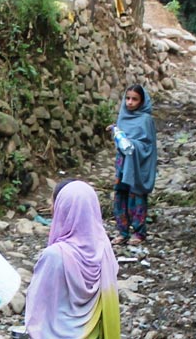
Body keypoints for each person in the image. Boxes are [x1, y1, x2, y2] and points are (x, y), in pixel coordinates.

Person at [25, 179, 121, 339]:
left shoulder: (54, 256)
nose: (50, 207)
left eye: (53, 203)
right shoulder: (104, 250)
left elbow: (39, 309)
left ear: (63, 209)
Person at [108, 84, 157, 246]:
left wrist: (132, 144)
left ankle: (138, 232)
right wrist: (116, 133)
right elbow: (120, 140)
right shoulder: (123, 116)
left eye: (134, 99)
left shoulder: (145, 120)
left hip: (137, 163)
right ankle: (122, 231)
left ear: (142, 101)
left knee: (136, 195)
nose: (130, 102)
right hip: (123, 162)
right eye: (128, 98)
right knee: (121, 194)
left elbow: (148, 145)